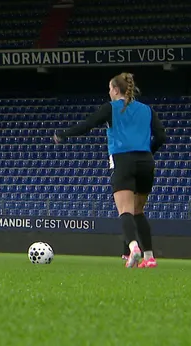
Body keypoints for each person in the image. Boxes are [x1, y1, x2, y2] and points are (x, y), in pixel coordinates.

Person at [55, 72, 166, 268]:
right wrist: (148, 152)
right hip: (146, 162)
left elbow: (88, 124)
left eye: (109, 89)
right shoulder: (147, 110)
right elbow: (161, 136)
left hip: (123, 160)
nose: (109, 92)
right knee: (139, 210)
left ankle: (133, 248)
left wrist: (63, 134)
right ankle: (149, 257)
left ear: (115, 90)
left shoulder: (112, 108)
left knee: (125, 210)